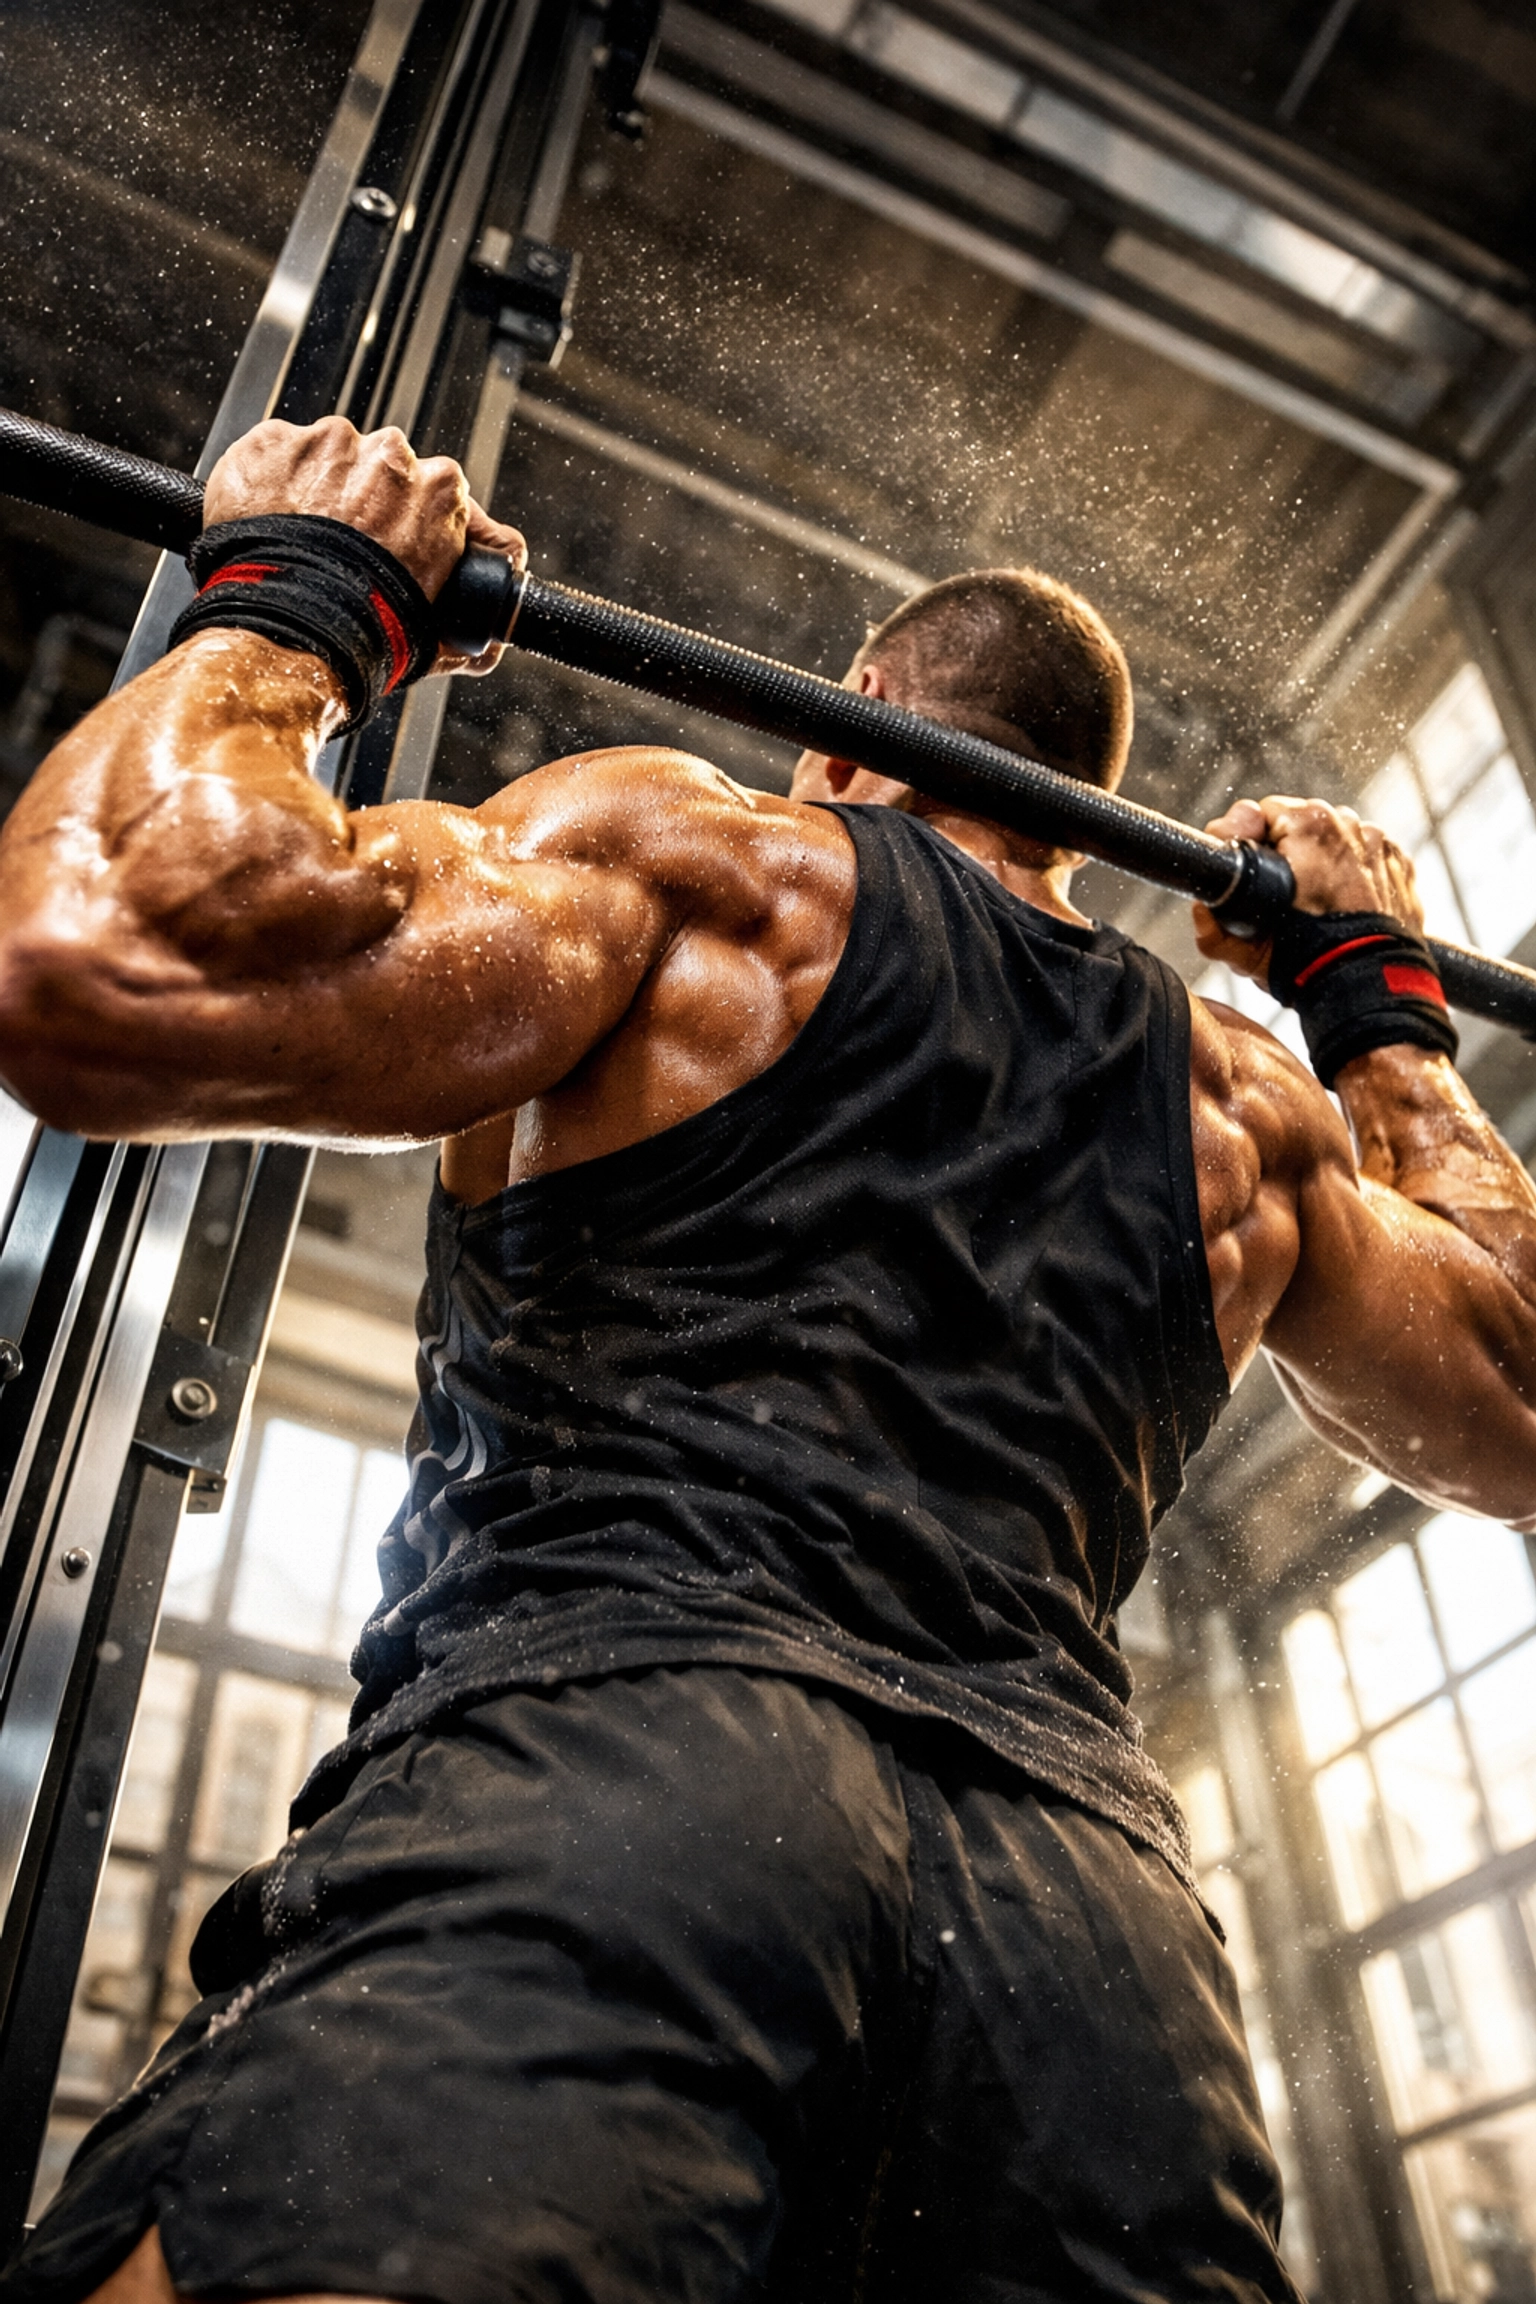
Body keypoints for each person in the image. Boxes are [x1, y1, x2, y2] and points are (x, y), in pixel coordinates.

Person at [1, 416, 1533, 2304]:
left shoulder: (722, 873)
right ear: (1079, 813)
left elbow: (107, 960)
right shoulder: (1252, 1111)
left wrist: (306, 593)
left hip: (630, 1776)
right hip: (1086, 1937)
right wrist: (1381, 1010)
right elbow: (1520, 1411)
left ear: (850, 720)